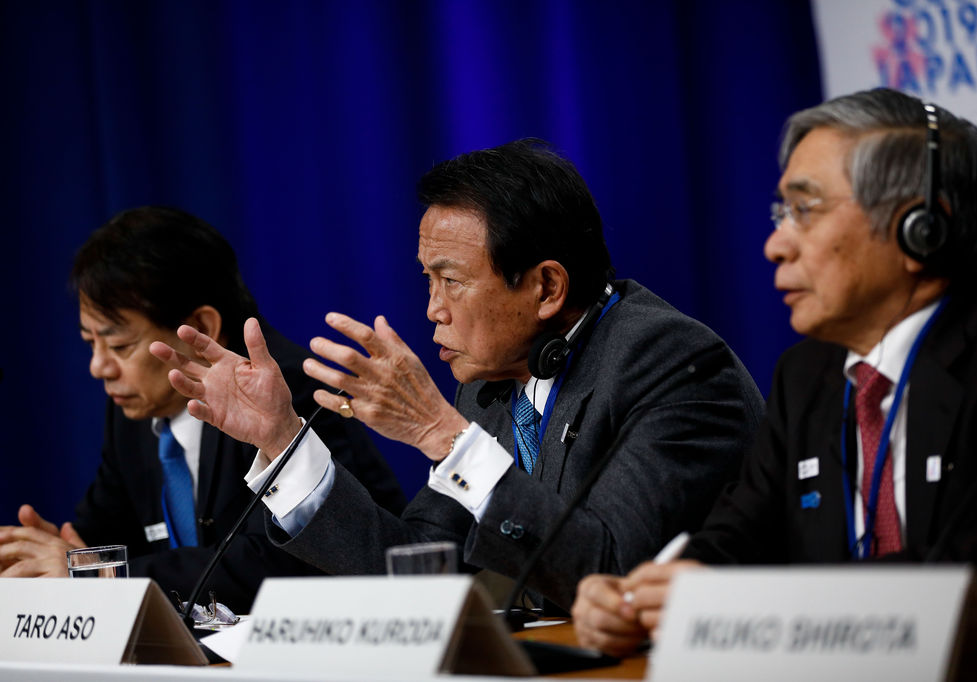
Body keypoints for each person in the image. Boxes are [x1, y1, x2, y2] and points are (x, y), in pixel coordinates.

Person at [151, 139, 765, 610]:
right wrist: (284, 441)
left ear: (547, 287)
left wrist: (442, 436)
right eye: (428, 280)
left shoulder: (672, 365)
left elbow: (610, 574)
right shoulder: (491, 385)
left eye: (451, 280)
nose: (432, 310)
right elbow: (418, 574)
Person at [571, 88, 977, 656]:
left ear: (920, 229)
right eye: (780, 213)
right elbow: (737, 535)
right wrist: (649, 596)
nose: (774, 245)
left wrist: (750, 600)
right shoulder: (808, 374)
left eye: (804, 210)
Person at [0, 206, 406, 612]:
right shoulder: (136, 408)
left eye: (120, 346)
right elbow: (104, 531)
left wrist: (101, 577)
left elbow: (282, 561)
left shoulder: (281, 389)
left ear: (201, 328)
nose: (99, 367)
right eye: (90, 343)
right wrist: (54, 557)